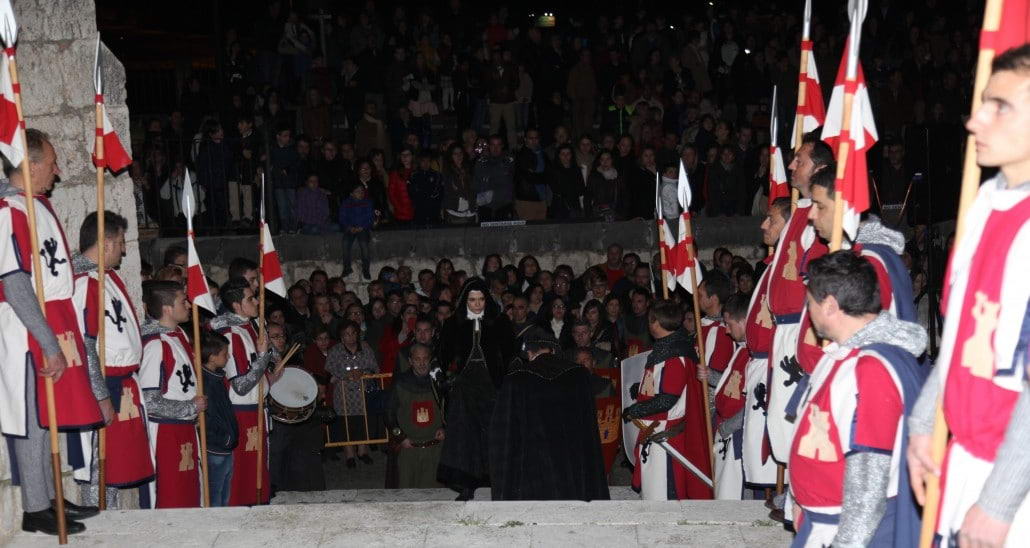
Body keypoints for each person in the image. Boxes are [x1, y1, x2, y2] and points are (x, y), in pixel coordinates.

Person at [908, 45, 1030, 547]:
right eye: (981, 103)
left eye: (999, 107)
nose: (975, 122)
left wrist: (1000, 501)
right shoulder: (985, 202)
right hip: (969, 461)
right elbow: (961, 335)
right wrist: (922, 422)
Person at [0, 129, 104, 534]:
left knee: (46, 416)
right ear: (32, 163)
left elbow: (52, 269)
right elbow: (15, 282)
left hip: (50, 320)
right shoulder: (10, 211)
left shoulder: (34, 206)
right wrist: (45, 340)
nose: (58, 172)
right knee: (32, 415)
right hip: (23, 329)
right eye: (53, 163)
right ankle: (35, 507)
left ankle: (48, 497)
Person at [789, 251, 926, 547]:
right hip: (822, 522)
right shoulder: (842, 355)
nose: (807, 311)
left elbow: (868, 479)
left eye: (809, 302)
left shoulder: (871, 369)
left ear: (829, 306)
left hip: (849, 532)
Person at [72, 211, 153, 507]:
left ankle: (113, 527)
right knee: (99, 468)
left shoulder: (108, 279)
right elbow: (84, 344)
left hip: (123, 385)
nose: (124, 248)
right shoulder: (84, 283)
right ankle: (97, 530)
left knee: (115, 469)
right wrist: (101, 394)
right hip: (105, 385)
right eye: (120, 242)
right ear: (105, 243)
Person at [764, 132, 831, 467]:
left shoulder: (816, 218)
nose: (791, 165)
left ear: (818, 167)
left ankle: (800, 492)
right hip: (784, 329)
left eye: (799, 160)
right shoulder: (800, 211)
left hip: (800, 327)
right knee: (781, 413)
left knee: (797, 411)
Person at [489, 329, 610, 501]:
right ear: (552, 350)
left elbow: (504, 435)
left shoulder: (515, 380)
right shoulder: (579, 375)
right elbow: (589, 430)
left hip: (533, 474)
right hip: (572, 470)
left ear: (530, 353)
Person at [623, 299, 713, 500]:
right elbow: (661, 384)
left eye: (650, 320)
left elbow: (667, 399)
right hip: (657, 431)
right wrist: (641, 389)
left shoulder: (674, 357)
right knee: (653, 491)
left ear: (655, 322)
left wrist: (635, 410)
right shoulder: (668, 348)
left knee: (662, 494)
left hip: (664, 435)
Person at [437, 278, 516, 500]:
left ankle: (499, 486)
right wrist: (445, 375)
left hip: (492, 387)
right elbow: (442, 354)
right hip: (465, 387)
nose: (477, 304)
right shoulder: (454, 323)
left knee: (494, 436)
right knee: (465, 437)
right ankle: (466, 487)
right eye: (472, 300)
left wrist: (508, 378)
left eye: (481, 299)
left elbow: (511, 353)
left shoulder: (499, 322)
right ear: (465, 300)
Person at [209, 278, 277, 506]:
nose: (257, 301)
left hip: (256, 410)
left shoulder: (250, 326)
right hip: (243, 412)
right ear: (237, 306)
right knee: (244, 474)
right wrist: (262, 357)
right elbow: (240, 385)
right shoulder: (231, 335)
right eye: (251, 298)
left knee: (257, 469)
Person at [139, 281, 206, 508]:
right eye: (182, 301)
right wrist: (189, 407)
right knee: (171, 496)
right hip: (165, 432)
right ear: (167, 308)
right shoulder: (155, 344)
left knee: (190, 494)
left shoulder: (179, 335)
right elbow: (150, 401)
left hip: (184, 428)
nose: (188, 305)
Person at [741, 198, 790, 495]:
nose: (763, 225)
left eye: (770, 219)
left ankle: (780, 494)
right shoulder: (771, 266)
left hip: (774, 364)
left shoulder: (788, 267)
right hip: (759, 363)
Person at [708, 294, 750, 500]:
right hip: (726, 430)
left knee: (733, 495)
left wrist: (728, 427)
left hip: (736, 434)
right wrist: (711, 376)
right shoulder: (742, 349)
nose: (726, 330)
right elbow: (731, 384)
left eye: (729, 324)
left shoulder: (758, 354)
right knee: (722, 492)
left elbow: (754, 403)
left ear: (743, 321)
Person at [387, 343, 445, 488]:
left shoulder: (439, 382)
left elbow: (450, 409)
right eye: (417, 359)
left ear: (430, 359)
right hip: (409, 450)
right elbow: (389, 415)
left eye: (425, 359)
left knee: (436, 496)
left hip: (435, 450)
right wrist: (401, 437)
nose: (422, 363)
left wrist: (445, 428)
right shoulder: (400, 383)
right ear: (410, 361)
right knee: (408, 495)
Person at [325, 320, 379, 468]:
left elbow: (374, 367)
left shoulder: (366, 347)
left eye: (353, 333)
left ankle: (363, 451)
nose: (350, 337)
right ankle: (349, 454)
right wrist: (346, 374)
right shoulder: (335, 350)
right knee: (345, 423)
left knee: (362, 421)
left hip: (362, 392)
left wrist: (363, 372)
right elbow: (329, 367)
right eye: (346, 334)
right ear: (341, 337)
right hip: (343, 394)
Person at [199, 331, 238, 507]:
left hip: (224, 446)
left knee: (224, 492)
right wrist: (224, 438)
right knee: (215, 494)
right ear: (212, 357)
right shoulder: (205, 382)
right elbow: (207, 418)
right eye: (224, 354)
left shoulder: (217, 378)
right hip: (215, 448)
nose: (228, 357)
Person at [696, 272, 736, 384]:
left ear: (713, 299)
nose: (696, 299)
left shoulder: (723, 331)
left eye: (700, 295)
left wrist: (710, 376)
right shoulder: (704, 323)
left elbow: (722, 379)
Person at [339, 184, 374, 280]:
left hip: (363, 228)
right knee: (345, 243)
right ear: (351, 194)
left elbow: (370, 218)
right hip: (350, 229)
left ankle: (366, 269)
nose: (361, 193)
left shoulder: (367, 202)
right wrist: (348, 227)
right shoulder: (346, 203)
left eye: (362, 191)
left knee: (364, 244)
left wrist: (363, 227)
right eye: (358, 191)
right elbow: (342, 217)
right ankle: (347, 268)